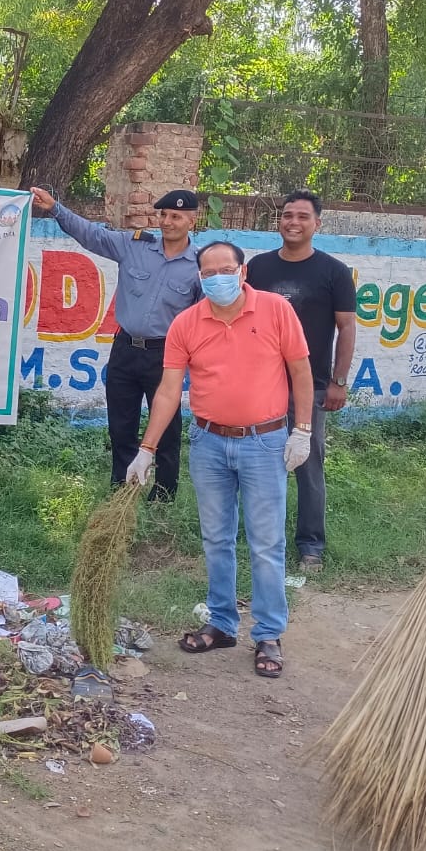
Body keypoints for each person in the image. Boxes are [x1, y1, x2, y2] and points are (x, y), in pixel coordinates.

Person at [130, 241, 313, 679]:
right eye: (208, 273)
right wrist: (146, 448)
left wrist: (302, 431)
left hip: (264, 442)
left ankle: (268, 633)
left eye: (225, 270)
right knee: (216, 539)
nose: (217, 279)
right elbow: (169, 391)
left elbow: (301, 371)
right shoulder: (186, 324)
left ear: (242, 272)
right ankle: (222, 623)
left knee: (266, 543)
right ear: (199, 278)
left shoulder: (275, 310)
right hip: (209, 442)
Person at [29, 187, 201, 501]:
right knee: (121, 426)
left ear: (192, 220)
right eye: (163, 214)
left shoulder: (199, 265)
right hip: (124, 349)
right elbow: (91, 235)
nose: (167, 222)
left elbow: (204, 318)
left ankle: (163, 497)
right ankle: (122, 492)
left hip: (167, 355)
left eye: (176, 216)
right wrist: (55, 208)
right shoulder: (134, 246)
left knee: (168, 429)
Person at [243, 190, 356, 572]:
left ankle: (311, 546)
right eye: (287, 215)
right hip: (259, 383)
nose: (293, 222)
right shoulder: (258, 268)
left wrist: (338, 382)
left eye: (302, 217)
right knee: (259, 463)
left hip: (310, 386)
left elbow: (346, 327)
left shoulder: (333, 272)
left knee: (308, 464)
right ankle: (262, 539)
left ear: (317, 224)